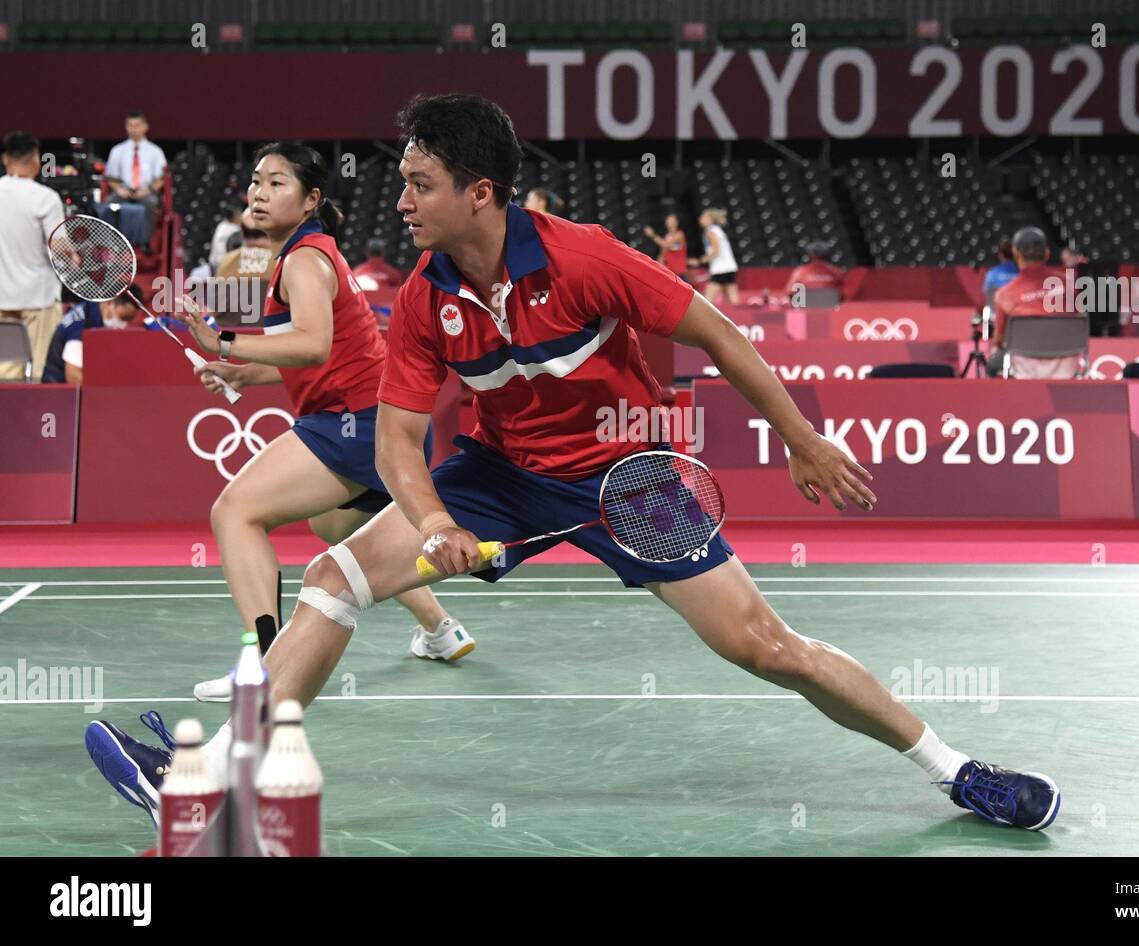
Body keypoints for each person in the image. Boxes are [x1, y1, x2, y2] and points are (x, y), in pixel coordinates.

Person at [84, 94, 1059, 834]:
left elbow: (718, 333)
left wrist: (802, 436)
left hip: (628, 484)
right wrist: (432, 523)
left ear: (480, 192)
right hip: (500, 473)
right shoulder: (426, 296)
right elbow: (394, 443)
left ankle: (952, 767)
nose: (403, 200)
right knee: (336, 576)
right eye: (402, 181)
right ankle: (212, 781)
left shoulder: (584, 259)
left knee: (765, 645)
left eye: (421, 183)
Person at [129, 143, 470, 711]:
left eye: (277, 183)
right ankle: (441, 629)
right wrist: (239, 370)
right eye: (256, 182)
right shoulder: (307, 254)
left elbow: (312, 343)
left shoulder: (306, 259)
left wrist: (225, 340)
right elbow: (317, 354)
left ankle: (265, 670)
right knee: (336, 530)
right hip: (376, 421)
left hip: (358, 423)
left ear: (311, 198)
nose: (259, 193)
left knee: (234, 512)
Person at [0, 131, 66, 382]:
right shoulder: (45, 198)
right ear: (36, 160)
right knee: (38, 374)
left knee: (4, 374)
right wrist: (74, 255)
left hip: (1, 297)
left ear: (6, 160)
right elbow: (59, 248)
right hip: (38, 299)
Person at [989, 226, 1077, 378]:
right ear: (1047, 253)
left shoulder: (1003, 295)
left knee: (993, 359)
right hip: (1066, 366)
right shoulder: (1070, 284)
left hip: (1024, 370)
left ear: (1016, 253)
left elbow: (999, 339)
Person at [103, 111, 167, 243]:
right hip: (123, 191)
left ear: (145, 127)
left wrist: (147, 191)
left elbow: (161, 178)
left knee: (150, 204)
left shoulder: (155, 152)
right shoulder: (117, 150)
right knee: (109, 204)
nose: (133, 129)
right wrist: (119, 189)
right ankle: (109, 244)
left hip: (146, 192)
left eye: (137, 125)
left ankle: (145, 243)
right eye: (130, 125)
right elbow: (110, 177)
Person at [41, 295, 136, 384]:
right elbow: (73, 376)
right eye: (123, 317)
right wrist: (103, 394)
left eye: (129, 320)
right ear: (110, 303)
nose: (124, 324)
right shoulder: (81, 327)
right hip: (58, 391)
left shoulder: (92, 310)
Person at [689, 208, 740, 304]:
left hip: (721, 270)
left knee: (707, 301)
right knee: (734, 299)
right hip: (729, 268)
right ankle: (743, 318)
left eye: (703, 216)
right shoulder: (717, 229)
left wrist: (700, 261)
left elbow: (716, 252)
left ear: (710, 219)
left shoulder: (711, 232)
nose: (700, 219)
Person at [642, 213, 688, 281]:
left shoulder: (680, 234)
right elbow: (662, 254)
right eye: (668, 221)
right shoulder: (667, 236)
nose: (669, 223)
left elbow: (665, 244)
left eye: (671, 220)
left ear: (676, 222)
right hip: (670, 273)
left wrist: (652, 235)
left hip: (680, 272)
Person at [982, 237, 1018, 306]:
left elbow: (986, 295)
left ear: (1000, 255)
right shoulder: (1023, 273)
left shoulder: (992, 274)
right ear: (1015, 254)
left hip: (997, 311)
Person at [207, 202, 243, 270]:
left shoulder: (222, 225)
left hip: (215, 264)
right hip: (223, 266)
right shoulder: (234, 230)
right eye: (239, 215)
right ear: (233, 216)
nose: (240, 217)